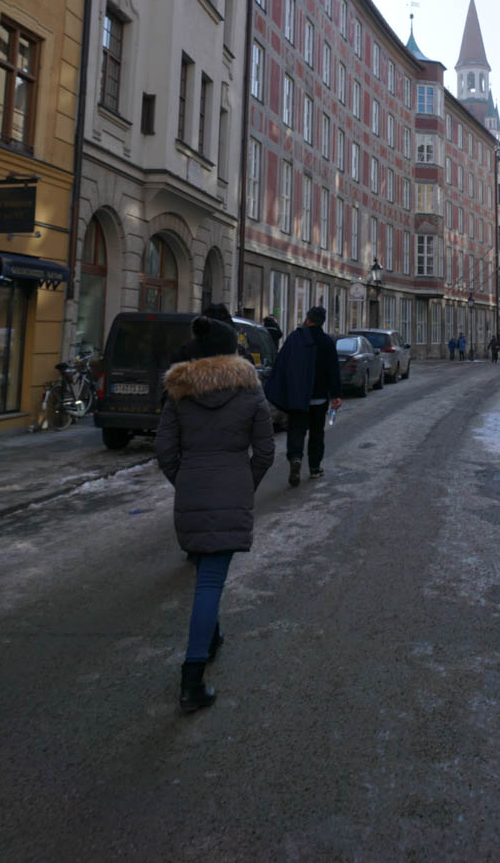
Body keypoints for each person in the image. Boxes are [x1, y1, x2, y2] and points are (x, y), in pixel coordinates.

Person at [155, 314, 275, 714]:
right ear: (231, 351)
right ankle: (192, 679)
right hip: (231, 484)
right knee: (209, 581)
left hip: (193, 487)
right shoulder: (250, 390)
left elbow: (165, 451)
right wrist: (244, 483)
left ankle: (213, 634)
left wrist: (186, 481)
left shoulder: (179, 391)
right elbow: (265, 450)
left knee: (207, 570)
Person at [264, 305, 341, 486]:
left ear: (308, 319)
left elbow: (282, 364)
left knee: (296, 431)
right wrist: (336, 395)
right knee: (316, 434)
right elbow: (333, 371)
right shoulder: (327, 342)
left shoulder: (295, 338)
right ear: (322, 322)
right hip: (319, 398)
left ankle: (296, 459)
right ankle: (315, 468)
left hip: (298, 397)